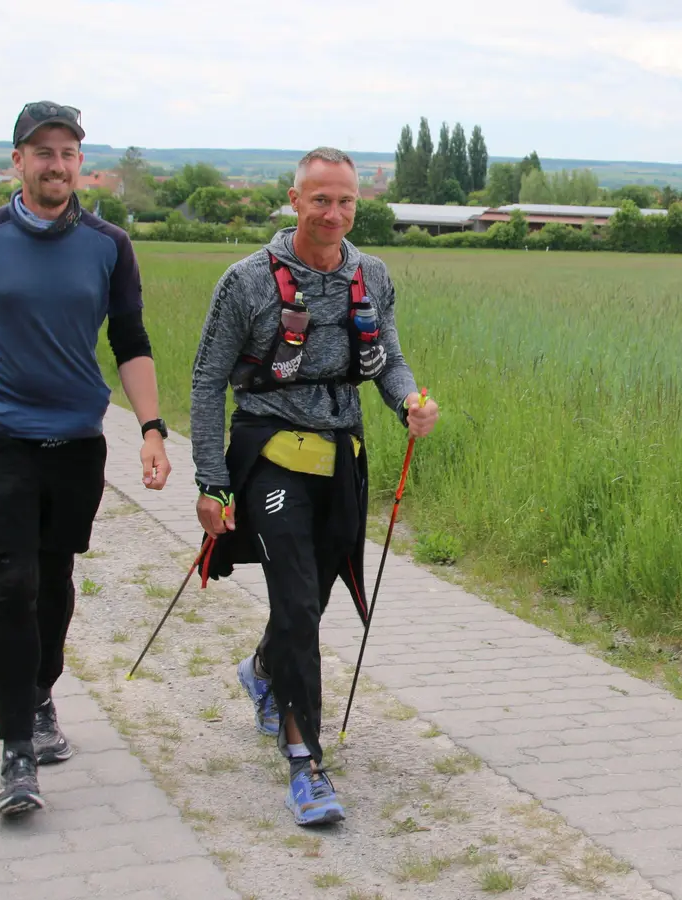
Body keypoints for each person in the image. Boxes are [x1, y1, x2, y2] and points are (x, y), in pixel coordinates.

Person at [0, 101, 171, 816]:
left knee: (54, 580)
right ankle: (16, 749)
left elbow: (131, 338)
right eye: (42, 151)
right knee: (13, 582)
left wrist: (151, 427)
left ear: (80, 164)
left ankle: (41, 692)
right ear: (17, 161)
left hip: (76, 441)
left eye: (69, 153)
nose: (57, 164)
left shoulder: (109, 243)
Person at [189, 147, 438, 827]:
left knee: (316, 597)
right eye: (321, 199)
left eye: (346, 200)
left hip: (342, 455)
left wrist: (408, 400)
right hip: (269, 453)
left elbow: (386, 356)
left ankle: (264, 668)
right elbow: (208, 380)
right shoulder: (246, 281)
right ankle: (307, 765)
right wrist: (212, 480)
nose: (334, 213)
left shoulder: (372, 275)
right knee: (296, 602)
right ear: (294, 201)